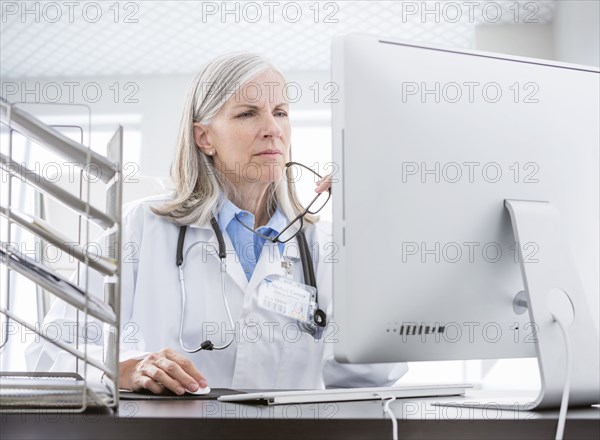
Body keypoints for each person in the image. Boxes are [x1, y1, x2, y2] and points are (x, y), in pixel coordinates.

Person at [26, 53, 407, 394]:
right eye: (247, 113)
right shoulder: (142, 227)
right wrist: (124, 369)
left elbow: (366, 378)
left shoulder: (320, 242)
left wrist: (368, 238)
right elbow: (51, 349)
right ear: (204, 137)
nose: (272, 128)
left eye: (280, 112)